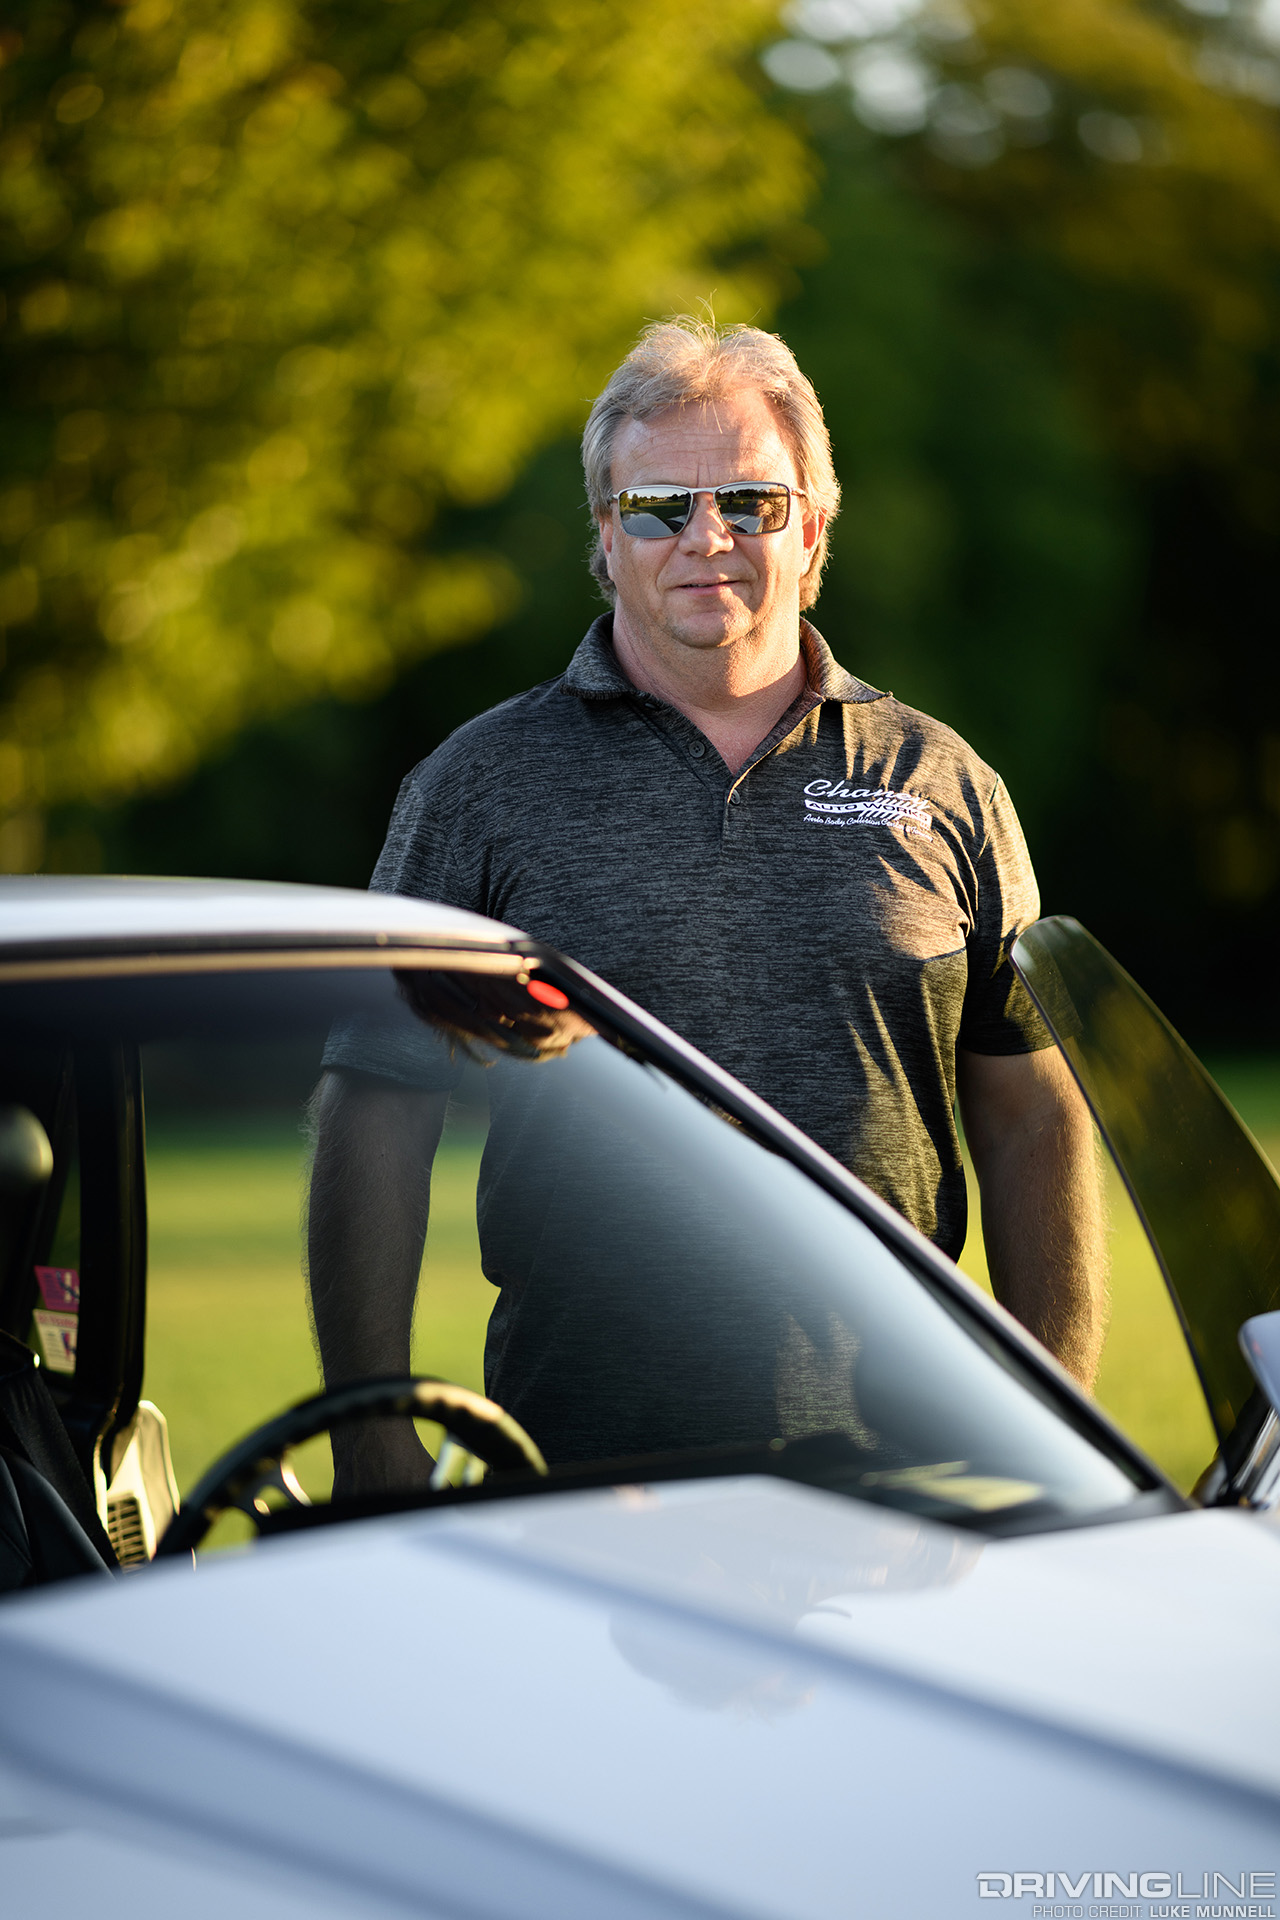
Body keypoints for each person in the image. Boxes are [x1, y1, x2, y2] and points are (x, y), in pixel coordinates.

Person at [308, 319, 1108, 1493]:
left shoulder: (943, 786)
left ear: (814, 526)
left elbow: (1033, 1118)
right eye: (657, 506)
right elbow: (376, 1107)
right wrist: (368, 1433)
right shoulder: (476, 789)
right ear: (604, 533)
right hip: (576, 1475)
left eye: (749, 501)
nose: (705, 538)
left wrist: (1057, 1419)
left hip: (910, 1489)